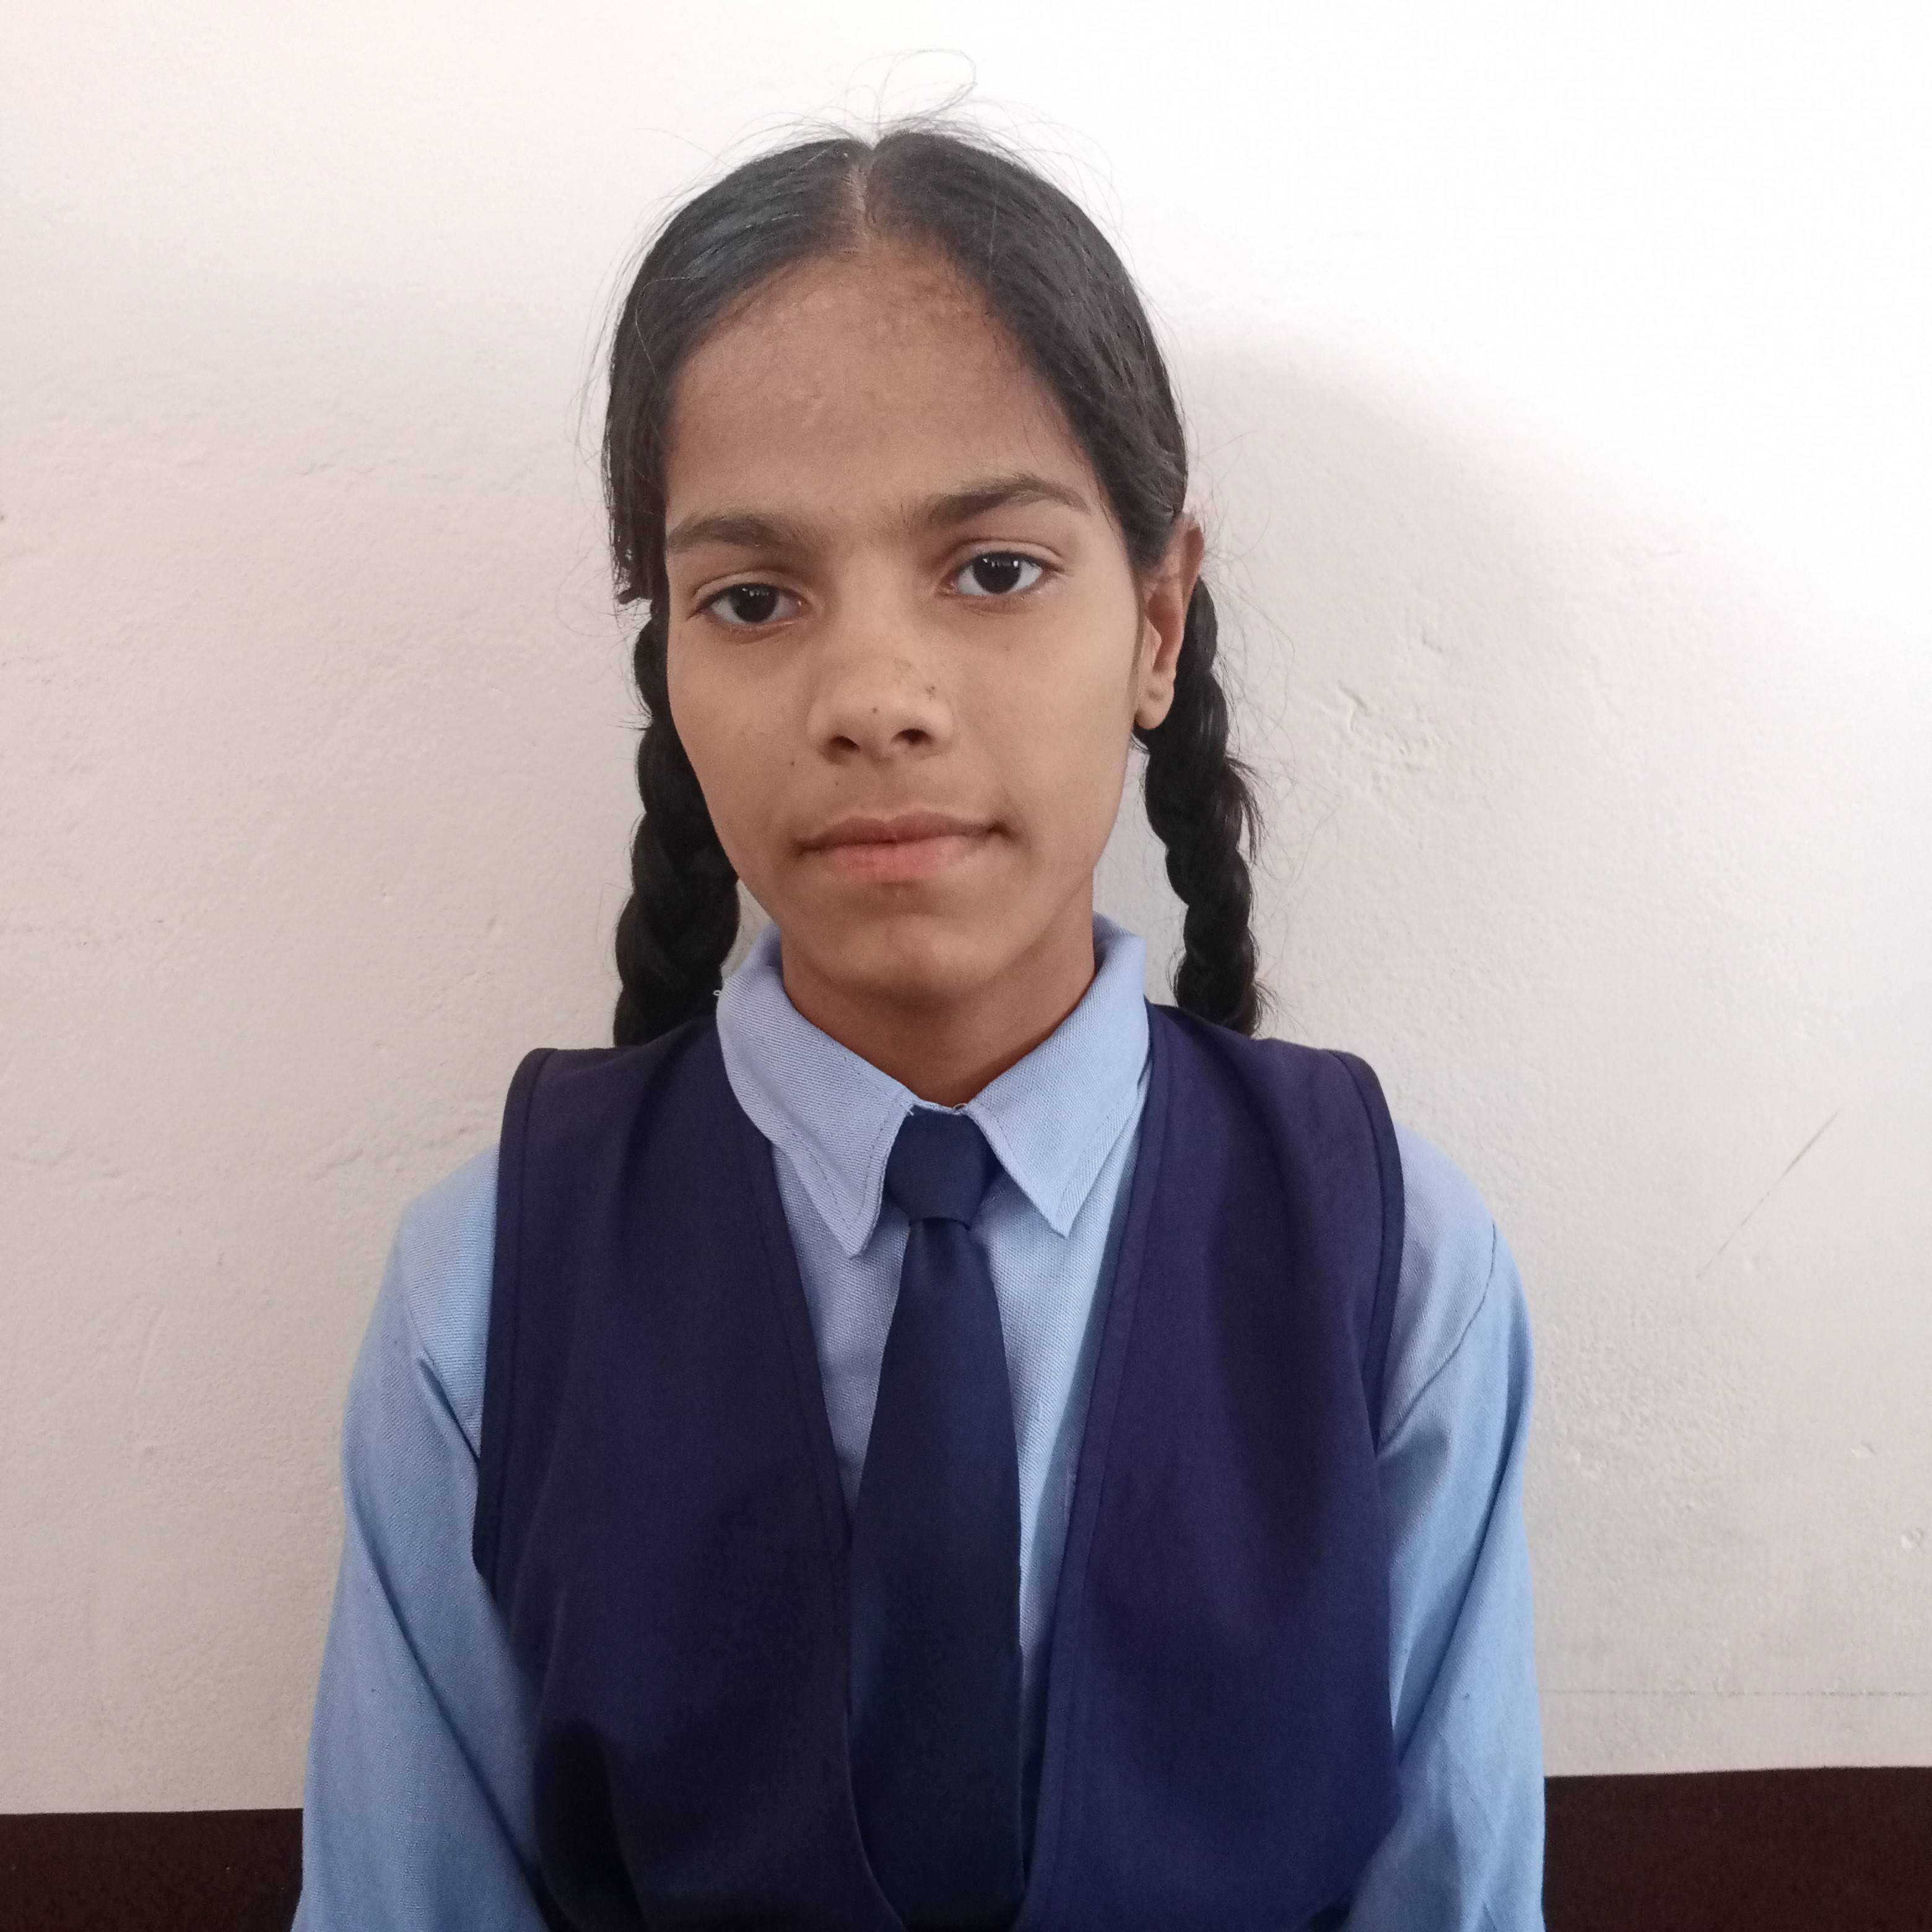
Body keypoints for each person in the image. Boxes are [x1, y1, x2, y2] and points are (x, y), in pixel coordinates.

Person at [291, 116, 1544, 1931]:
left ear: (1159, 622)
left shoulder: (1400, 1269)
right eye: (752, 599)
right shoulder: (483, 1296)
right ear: (671, 662)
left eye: (995, 569)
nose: (876, 696)